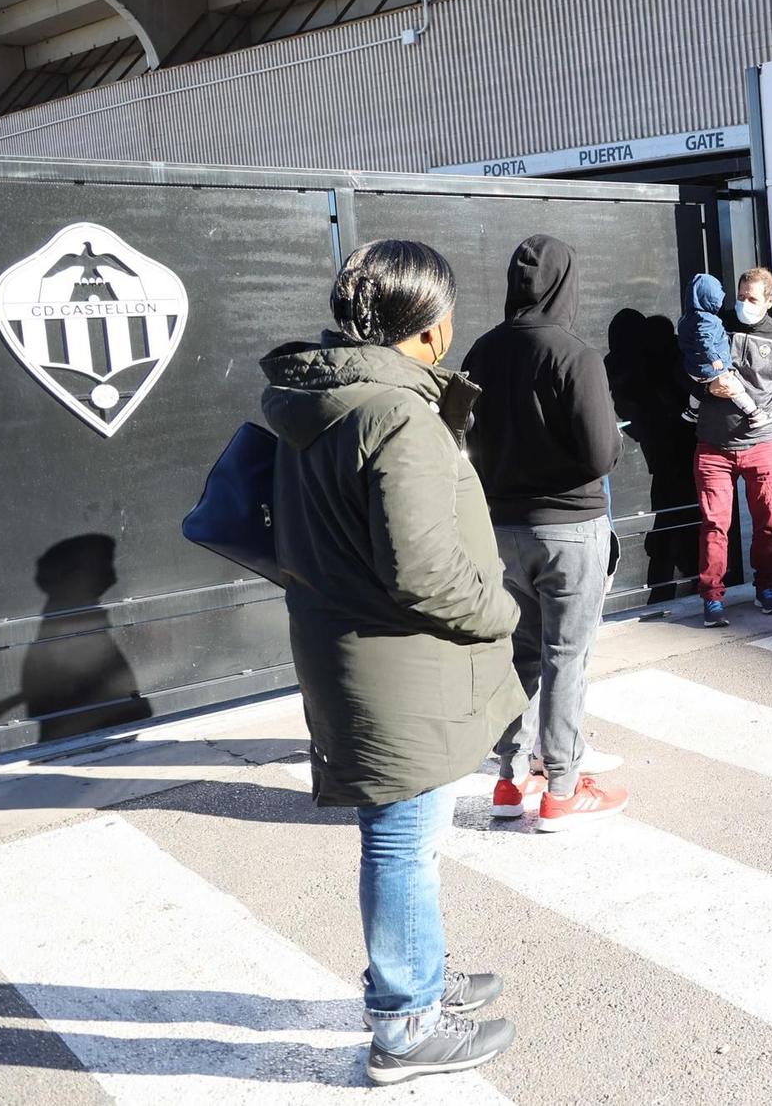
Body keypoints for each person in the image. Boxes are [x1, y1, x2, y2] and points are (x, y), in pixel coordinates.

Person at [260, 240, 520, 1085]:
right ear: (433, 330)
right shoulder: (398, 413)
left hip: (354, 650)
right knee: (404, 841)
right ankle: (405, 1021)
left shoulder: (317, 401)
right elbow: (424, 568)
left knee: (408, 836)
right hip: (395, 664)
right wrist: (503, 608)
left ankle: (423, 975)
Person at [461, 235, 629, 831]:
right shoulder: (575, 355)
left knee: (518, 654)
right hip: (569, 529)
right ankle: (561, 785)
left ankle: (511, 780)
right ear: (566, 283)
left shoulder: (480, 352)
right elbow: (599, 454)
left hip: (500, 528)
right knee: (567, 656)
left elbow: (467, 441)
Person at [693, 266, 772, 626]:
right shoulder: (716, 325)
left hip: (762, 445)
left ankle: (767, 588)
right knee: (714, 524)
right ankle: (712, 598)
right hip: (714, 446)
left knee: (769, 522)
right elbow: (687, 370)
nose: (744, 305)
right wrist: (706, 389)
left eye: (752, 299)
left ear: (770, 300)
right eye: (740, 298)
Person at [679, 273, 759, 427]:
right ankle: (754, 412)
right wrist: (714, 358)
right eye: (741, 297)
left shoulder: (686, 319)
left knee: (697, 390)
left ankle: (692, 411)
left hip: (694, 369)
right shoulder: (707, 319)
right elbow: (704, 340)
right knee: (735, 388)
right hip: (711, 367)